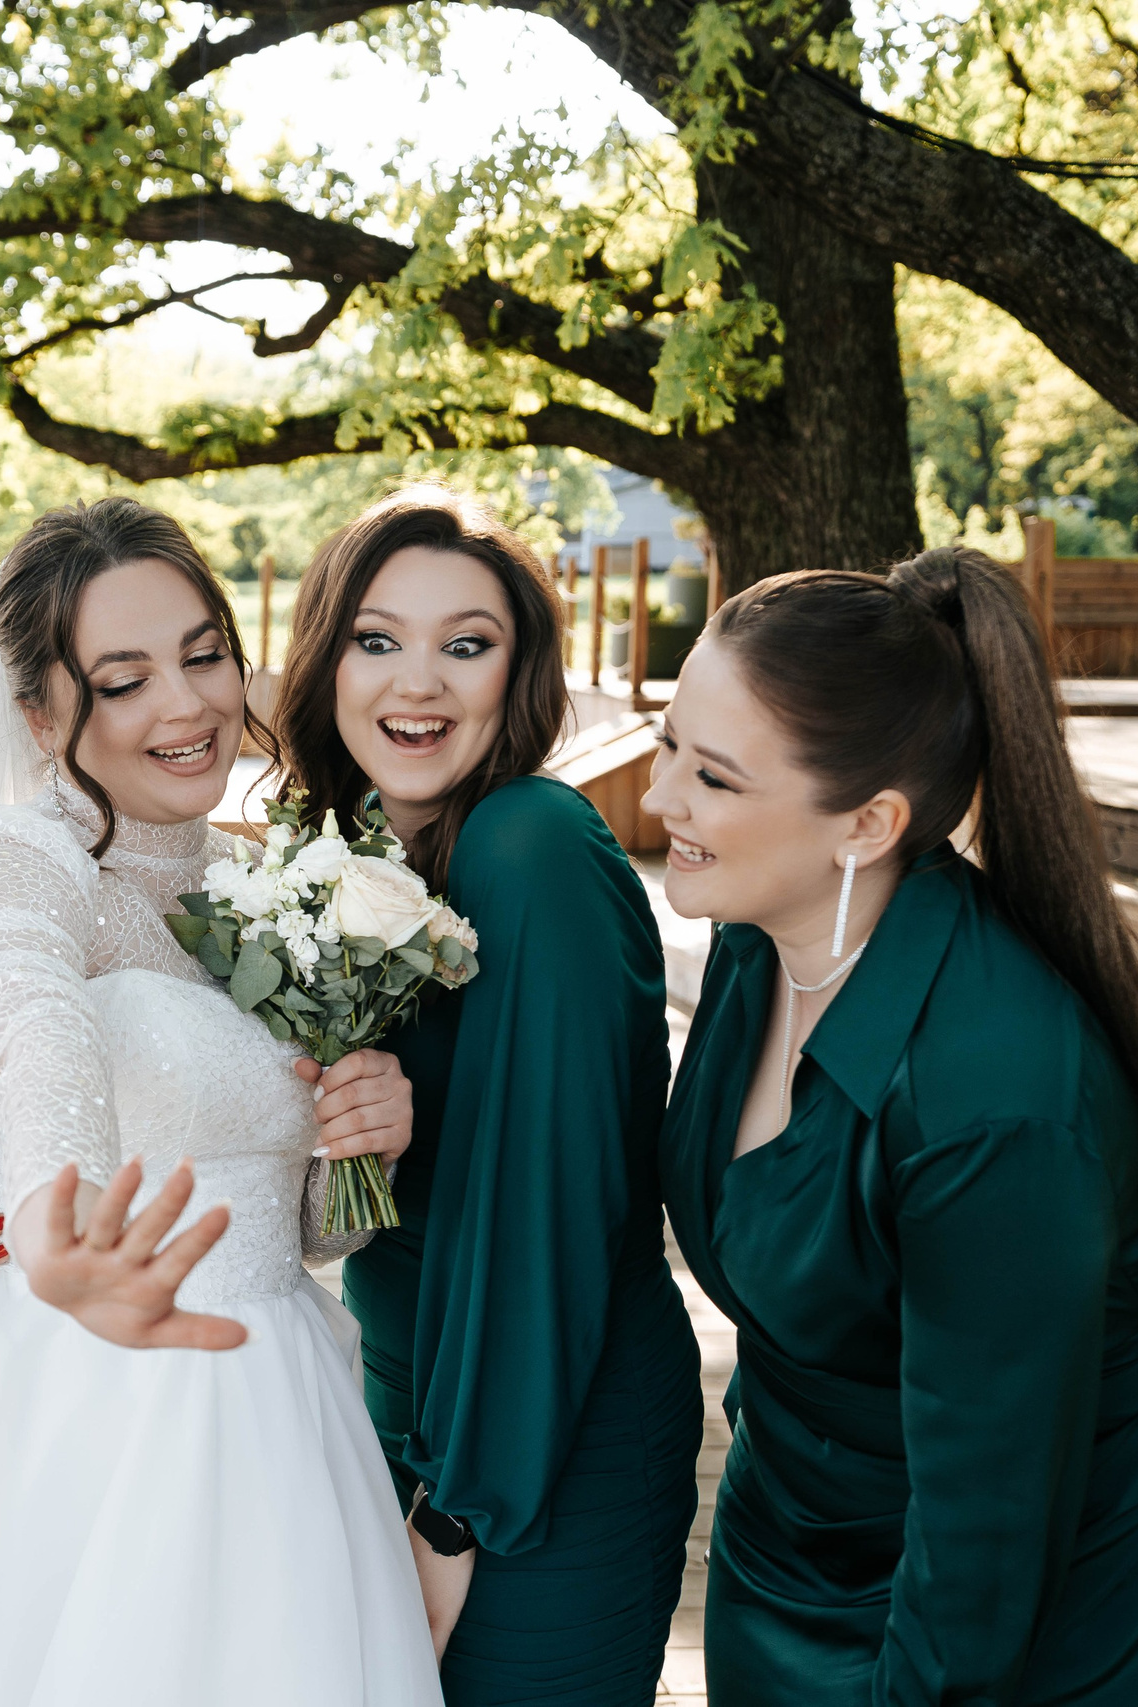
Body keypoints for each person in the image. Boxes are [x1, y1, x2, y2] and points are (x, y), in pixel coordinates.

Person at [0, 497, 441, 1707]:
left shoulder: (268, 884)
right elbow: (22, 1026)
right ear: (38, 712)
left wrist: (364, 1140)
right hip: (63, 1404)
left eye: (203, 655)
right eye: (123, 679)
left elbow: (304, 1229)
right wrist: (60, 1223)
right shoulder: (4, 863)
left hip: (277, 1399)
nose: (186, 705)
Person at [642, 547, 1138, 1703]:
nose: (658, 799)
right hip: (792, 1533)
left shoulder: (995, 1100)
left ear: (866, 823)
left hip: (1022, 1601)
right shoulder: (761, 935)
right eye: (666, 745)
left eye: (714, 779)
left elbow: (985, 1531)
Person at [272, 485, 702, 1702]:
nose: (418, 685)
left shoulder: (531, 847)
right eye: (376, 640)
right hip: (406, 1400)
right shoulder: (360, 851)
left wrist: (459, 1514)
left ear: (518, 676)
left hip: (535, 1444)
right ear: (327, 661)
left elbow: (548, 1221)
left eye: (466, 645)